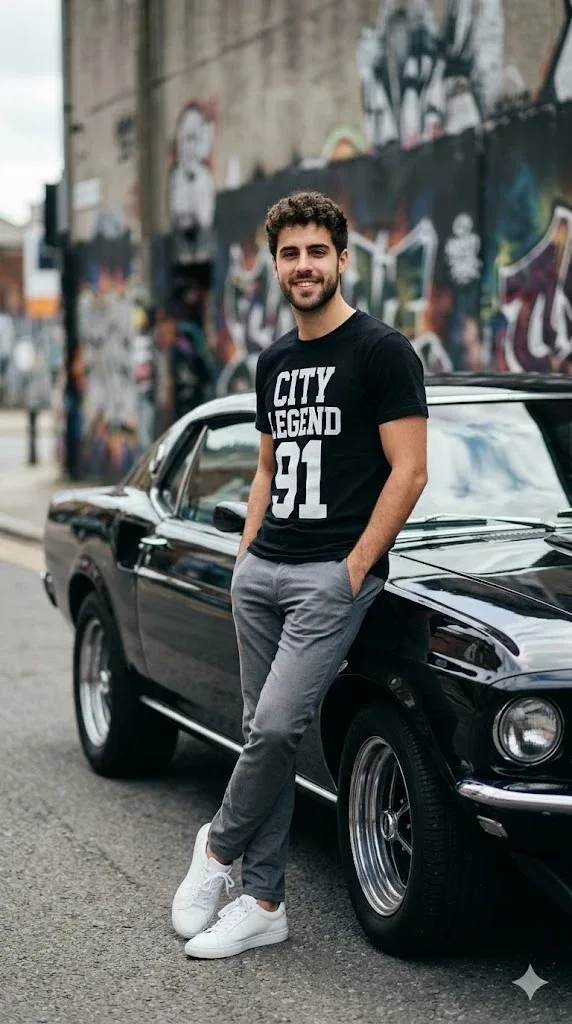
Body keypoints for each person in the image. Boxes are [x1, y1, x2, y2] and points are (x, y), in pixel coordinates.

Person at [172, 190, 428, 959]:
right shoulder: (275, 360)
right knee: (266, 737)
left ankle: (217, 851)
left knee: (279, 725)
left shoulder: (382, 352)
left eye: (318, 251)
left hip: (330, 577)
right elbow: (266, 465)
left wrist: (352, 570)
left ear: (343, 260)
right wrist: (246, 557)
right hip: (264, 571)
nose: (304, 265)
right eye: (290, 254)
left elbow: (409, 472)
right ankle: (264, 900)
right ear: (275, 265)